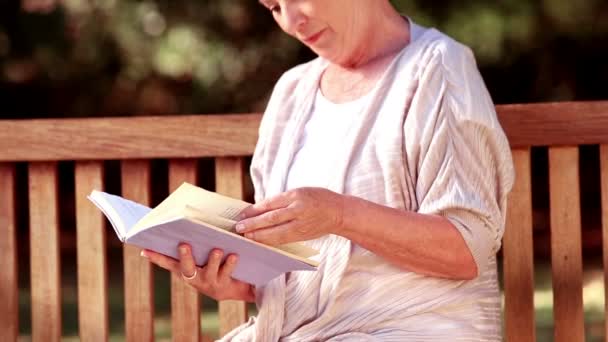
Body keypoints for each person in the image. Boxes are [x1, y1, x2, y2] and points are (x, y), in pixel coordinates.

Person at [142, 0, 515, 340]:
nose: (291, 21)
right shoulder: (292, 93)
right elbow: (294, 272)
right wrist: (234, 279)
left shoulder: (437, 68)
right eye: (273, 7)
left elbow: (467, 248)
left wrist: (340, 214)